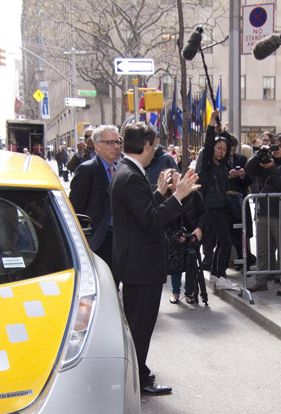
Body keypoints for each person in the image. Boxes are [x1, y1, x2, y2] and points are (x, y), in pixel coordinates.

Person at [110, 122, 201, 396]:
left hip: (137, 263)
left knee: (138, 323)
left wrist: (160, 193)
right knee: (140, 325)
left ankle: (139, 372)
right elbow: (151, 221)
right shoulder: (130, 175)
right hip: (140, 265)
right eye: (155, 146)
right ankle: (137, 379)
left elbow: (140, 212)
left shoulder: (126, 172)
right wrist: (179, 195)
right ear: (147, 146)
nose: (155, 153)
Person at [247, 134, 281, 295]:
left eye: (279, 146)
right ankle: (261, 281)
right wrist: (259, 155)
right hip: (262, 212)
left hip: (280, 214)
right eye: (273, 146)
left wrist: (271, 168)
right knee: (263, 250)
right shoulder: (265, 160)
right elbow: (249, 170)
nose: (275, 150)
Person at [69, 125, 121, 281]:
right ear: (97, 146)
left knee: (115, 283)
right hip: (97, 241)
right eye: (110, 143)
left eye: (118, 142)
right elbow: (75, 210)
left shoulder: (119, 169)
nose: (116, 147)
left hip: (118, 239)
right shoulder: (87, 170)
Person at [196, 120, 239, 291]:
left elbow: (228, 145)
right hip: (213, 208)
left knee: (222, 242)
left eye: (224, 149)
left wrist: (224, 132)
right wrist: (211, 129)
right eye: (218, 148)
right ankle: (221, 276)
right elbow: (207, 147)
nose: (221, 152)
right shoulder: (207, 165)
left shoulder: (224, 166)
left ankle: (215, 274)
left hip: (223, 208)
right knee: (226, 242)